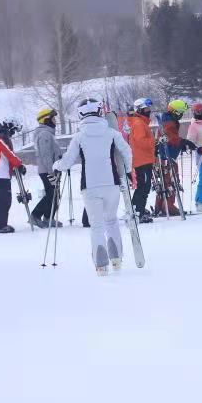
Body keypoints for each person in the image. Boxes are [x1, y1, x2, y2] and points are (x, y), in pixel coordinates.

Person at [51, 97, 134, 274]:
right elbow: (126, 150)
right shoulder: (111, 133)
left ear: (81, 114)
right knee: (112, 221)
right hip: (111, 183)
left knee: (96, 225)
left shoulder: (79, 137)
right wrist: (127, 170)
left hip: (89, 186)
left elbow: (67, 161)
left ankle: (101, 265)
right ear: (99, 111)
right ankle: (117, 259)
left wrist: (56, 166)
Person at [123, 98, 158, 222]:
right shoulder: (138, 123)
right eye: (146, 109)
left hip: (144, 159)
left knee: (143, 186)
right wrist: (154, 141)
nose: (148, 111)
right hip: (141, 160)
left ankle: (135, 209)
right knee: (143, 187)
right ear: (139, 110)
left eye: (148, 109)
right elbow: (141, 141)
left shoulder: (140, 122)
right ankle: (138, 211)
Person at [0, 122, 24, 233]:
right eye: (12, 131)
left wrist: (14, 166)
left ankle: (1, 224)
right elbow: (8, 153)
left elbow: (6, 155)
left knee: (4, 200)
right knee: (4, 201)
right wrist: (19, 164)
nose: (12, 134)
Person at [32, 108, 62, 227]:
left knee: (54, 194)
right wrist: (51, 171)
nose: (55, 120)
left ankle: (48, 218)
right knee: (52, 194)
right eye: (53, 118)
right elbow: (46, 155)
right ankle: (35, 215)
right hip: (48, 170)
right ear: (46, 120)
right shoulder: (44, 134)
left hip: (51, 169)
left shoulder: (48, 133)